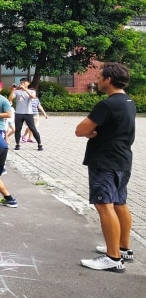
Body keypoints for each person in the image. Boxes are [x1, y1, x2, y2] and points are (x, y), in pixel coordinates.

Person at [75, 62, 134, 273]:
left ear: (109, 79)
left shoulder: (107, 104)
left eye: (99, 76)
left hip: (105, 161)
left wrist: (90, 133)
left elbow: (80, 130)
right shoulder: (128, 101)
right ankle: (123, 248)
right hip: (122, 159)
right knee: (119, 203)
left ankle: (113, 258)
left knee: (104, 205)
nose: (96, 80)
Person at [9, 78, 43, 151]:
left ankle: (39, 144)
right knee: (18, 129)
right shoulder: (17, 92)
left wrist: (25, 89)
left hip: (28, 113)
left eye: (24, 83)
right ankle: (17, 144)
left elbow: (32, 97)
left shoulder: (32, 91)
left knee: (33, 129)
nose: (22, 84)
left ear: (28, 83)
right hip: (18, 113)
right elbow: (10, 98)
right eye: (21, 83)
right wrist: (13, 90)